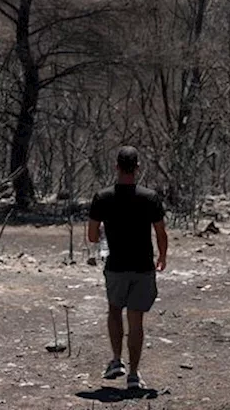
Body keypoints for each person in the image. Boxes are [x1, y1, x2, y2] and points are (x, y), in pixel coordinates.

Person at [87, 146, 168, 391]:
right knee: (136, 320)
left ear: (116, 166)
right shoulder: (150, 197)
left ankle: (116, 360)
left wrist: (103, 232)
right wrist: (162, 256)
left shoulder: (102, 197)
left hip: (116, 266)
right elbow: (161, 232)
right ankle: (133, 374)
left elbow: (91, 236)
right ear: (138, 167)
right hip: (143, 266)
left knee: (114, 311)